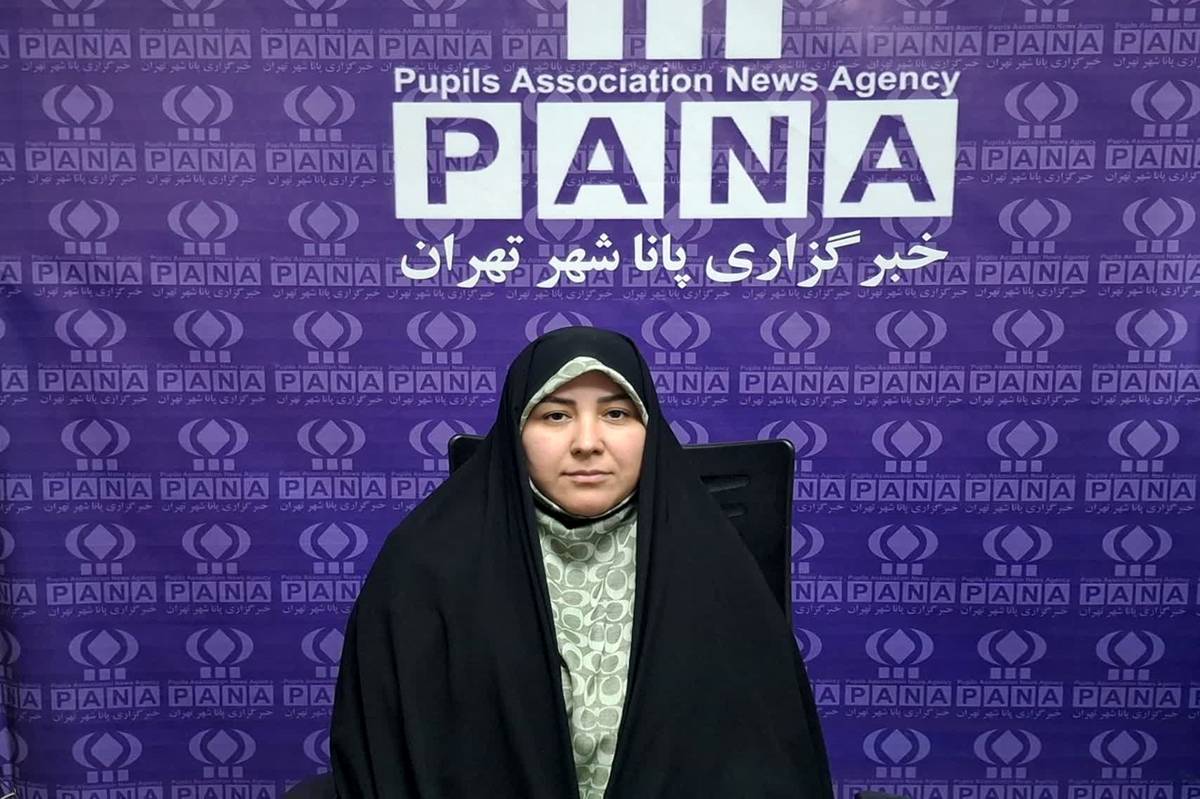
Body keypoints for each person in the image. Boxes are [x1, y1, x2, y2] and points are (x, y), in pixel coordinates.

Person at [330, 326, 832, 798]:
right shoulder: (424, 570)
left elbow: (773, 768)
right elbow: (384, 763)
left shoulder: (718, 572)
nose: (587, 442)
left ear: (650, 431)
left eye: (616, 414)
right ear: (515, 432)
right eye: (555, 415)